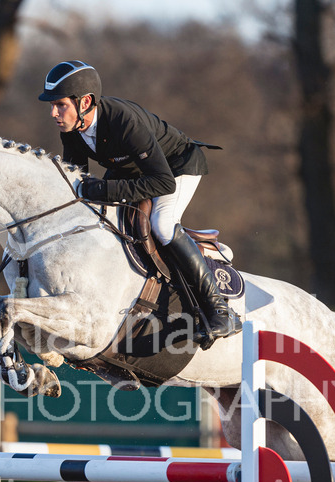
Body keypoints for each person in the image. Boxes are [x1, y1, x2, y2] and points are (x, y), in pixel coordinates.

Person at [38, 59, 242, 346]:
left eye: (60, 105)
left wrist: (104, 190)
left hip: (176, 167)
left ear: (85, 102)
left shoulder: (124, 122)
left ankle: (220, 310)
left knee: (162, 224)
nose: (53, 113)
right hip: (135, 170)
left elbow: (163, 183)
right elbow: (77, 184)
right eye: (52, 106)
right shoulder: (72, 129)